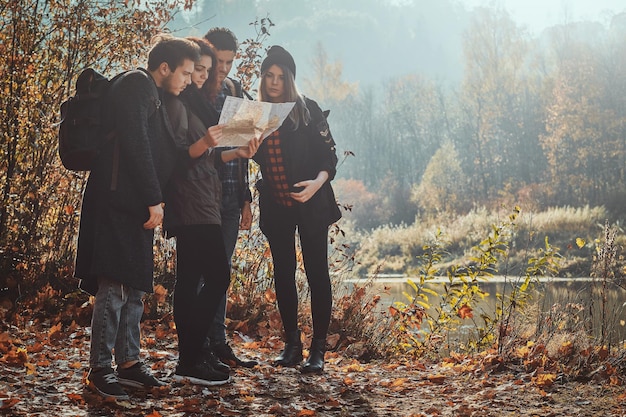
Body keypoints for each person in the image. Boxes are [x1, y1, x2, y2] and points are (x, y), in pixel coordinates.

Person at [74, 35, 201, 400]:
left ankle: (128, 363)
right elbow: (135, 143)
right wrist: (153, 198)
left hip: (132, 206)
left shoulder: (151, 92)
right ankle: (100, 368)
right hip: (117, 203)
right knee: (113, 287)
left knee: (135, 287)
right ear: (164, 68)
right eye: (186, 73)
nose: (188, 80)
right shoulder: (136, 85)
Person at [162, 37, 259, 386]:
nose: (201, 76)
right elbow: (178, 155)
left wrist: (239, 153)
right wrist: (207, 142)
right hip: (190, 200)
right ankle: (191, 356)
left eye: (204, 70)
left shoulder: (195, 102)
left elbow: (210, 156)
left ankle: (192, 356)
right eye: (197, 69)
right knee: (217, 275)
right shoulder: (177, 102)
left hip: (205, 196)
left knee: (189, 279)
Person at [254, 46, 342, 373]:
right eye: (269, 76)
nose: (274, 82)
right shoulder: (256, 113)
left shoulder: (308, 110)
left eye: (281, 77)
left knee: (317, 272)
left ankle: (317, 351)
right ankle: (292, 344)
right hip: (276, 205)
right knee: (283, 272)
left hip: (312, 202)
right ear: (263, 78)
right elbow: (242, 155)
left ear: (290, 79)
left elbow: (329, 158)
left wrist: (317, 184)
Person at [203, 27, 257, 368]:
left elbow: (244, 152)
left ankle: (219, 344)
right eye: (219, 62)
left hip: (231, 197)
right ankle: (198, 346)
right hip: (202, 198)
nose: (223, 69)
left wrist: (247, 198)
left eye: (229, 62)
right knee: (199, 276)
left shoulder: (235, 91)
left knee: (221, 273)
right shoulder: (194, 91)